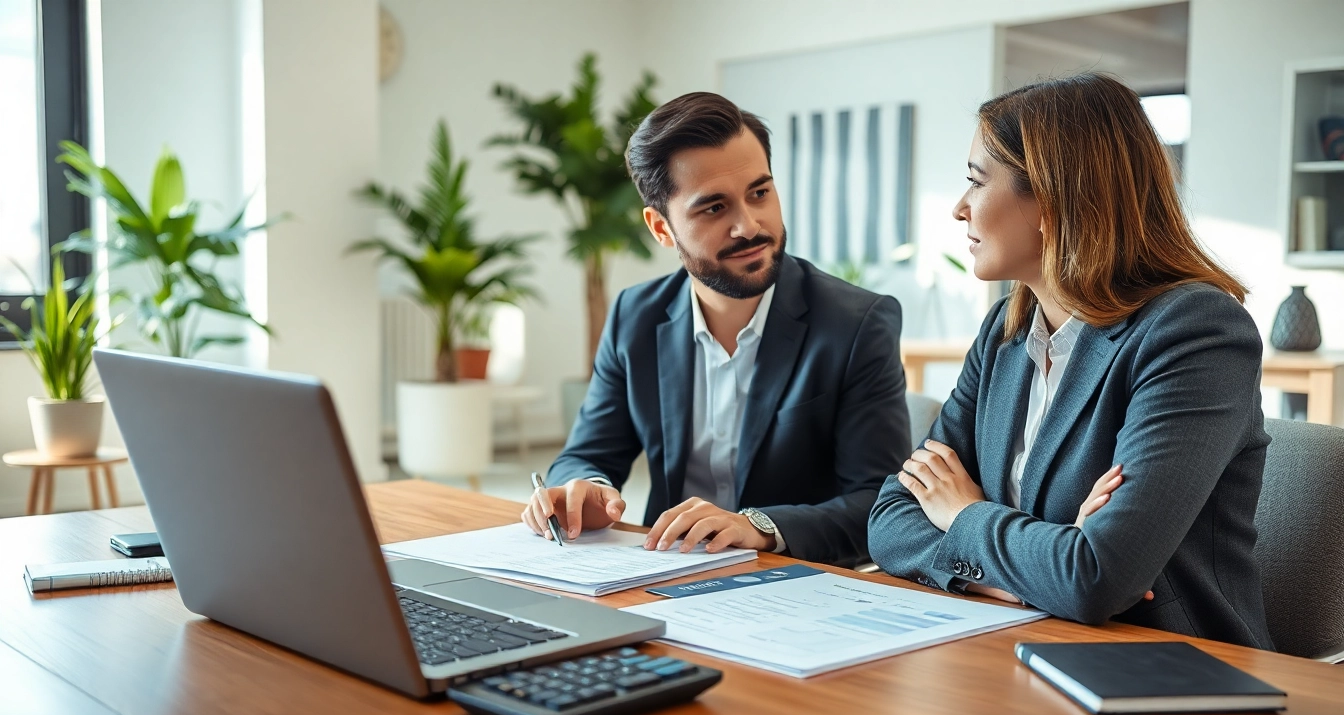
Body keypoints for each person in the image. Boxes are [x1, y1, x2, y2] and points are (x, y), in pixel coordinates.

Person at [867, 73, 1273, 649]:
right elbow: (890, 519)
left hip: (1167, 671)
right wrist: (1021, 572)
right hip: (1013, 646)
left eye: (976, 184)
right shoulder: (1004, 330)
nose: (959, 209)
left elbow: (1096, 577)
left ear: (1052, 197)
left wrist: (964, 514)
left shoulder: (1195, 332)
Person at [522, 92, 909, 568]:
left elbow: (884, 505)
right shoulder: (635, 316)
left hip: (795, 582)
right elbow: (589, 452)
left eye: (760, 193)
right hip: (663, 570)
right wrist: (586, 489)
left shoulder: (856, 324)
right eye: (714, 208)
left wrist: (760, 527)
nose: (749, 226)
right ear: (662, 228)